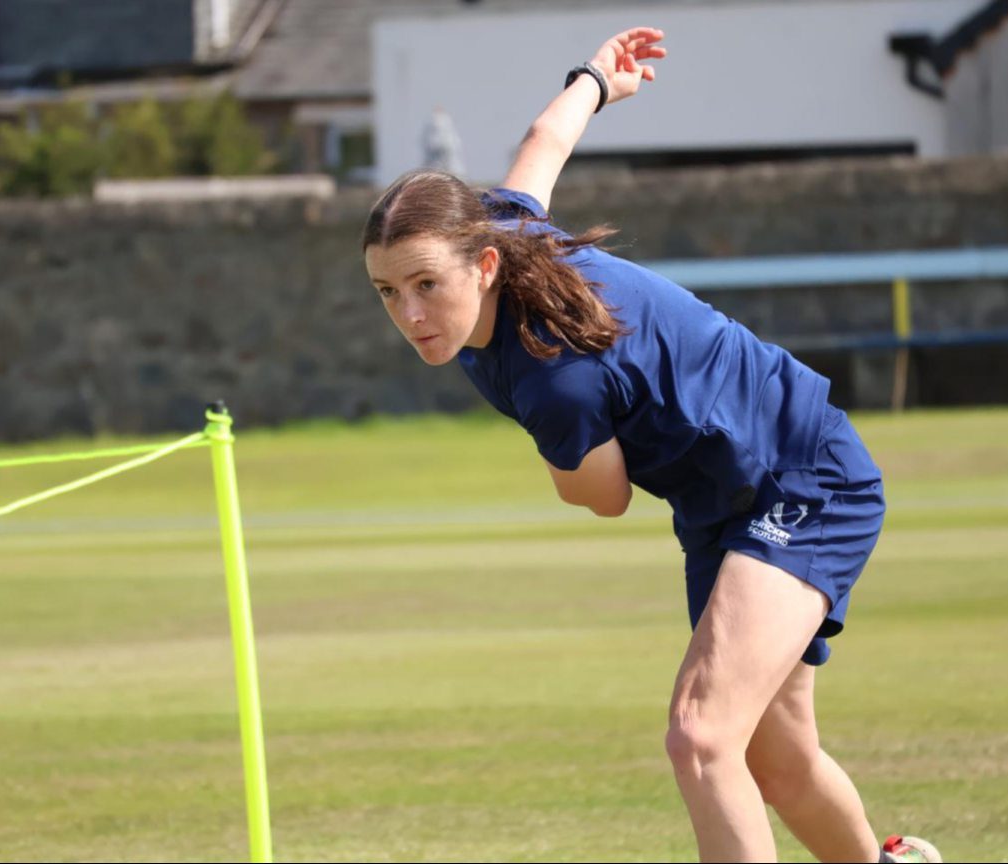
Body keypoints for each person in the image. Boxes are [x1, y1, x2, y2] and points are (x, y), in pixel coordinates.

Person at [361, 26, 943, 864]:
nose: (411, 315)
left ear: (484, 265)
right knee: (775, 756)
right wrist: (598, 78)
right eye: (388, 292)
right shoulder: (506, 226)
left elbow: (603, 494)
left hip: (802, 476)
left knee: (701, 737)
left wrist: (557, 450)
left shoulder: (551, 379)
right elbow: (543, 141)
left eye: (427, 285)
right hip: (725, 504)